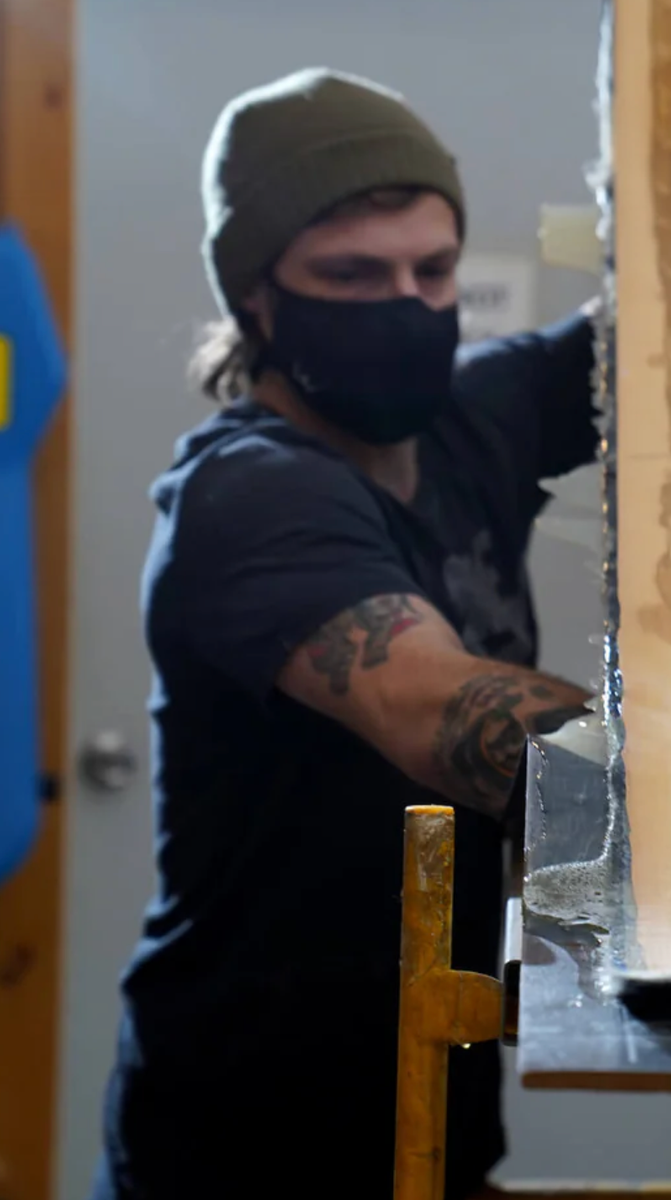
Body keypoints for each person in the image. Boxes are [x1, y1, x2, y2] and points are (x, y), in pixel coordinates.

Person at [91, 68, 599, 1200]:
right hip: (241, 1137)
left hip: (434, 1090)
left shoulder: (478, 417)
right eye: (351, 277)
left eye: (435, 269)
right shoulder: (246, 493)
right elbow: (430, 703)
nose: (407, 305)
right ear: (257, 297)